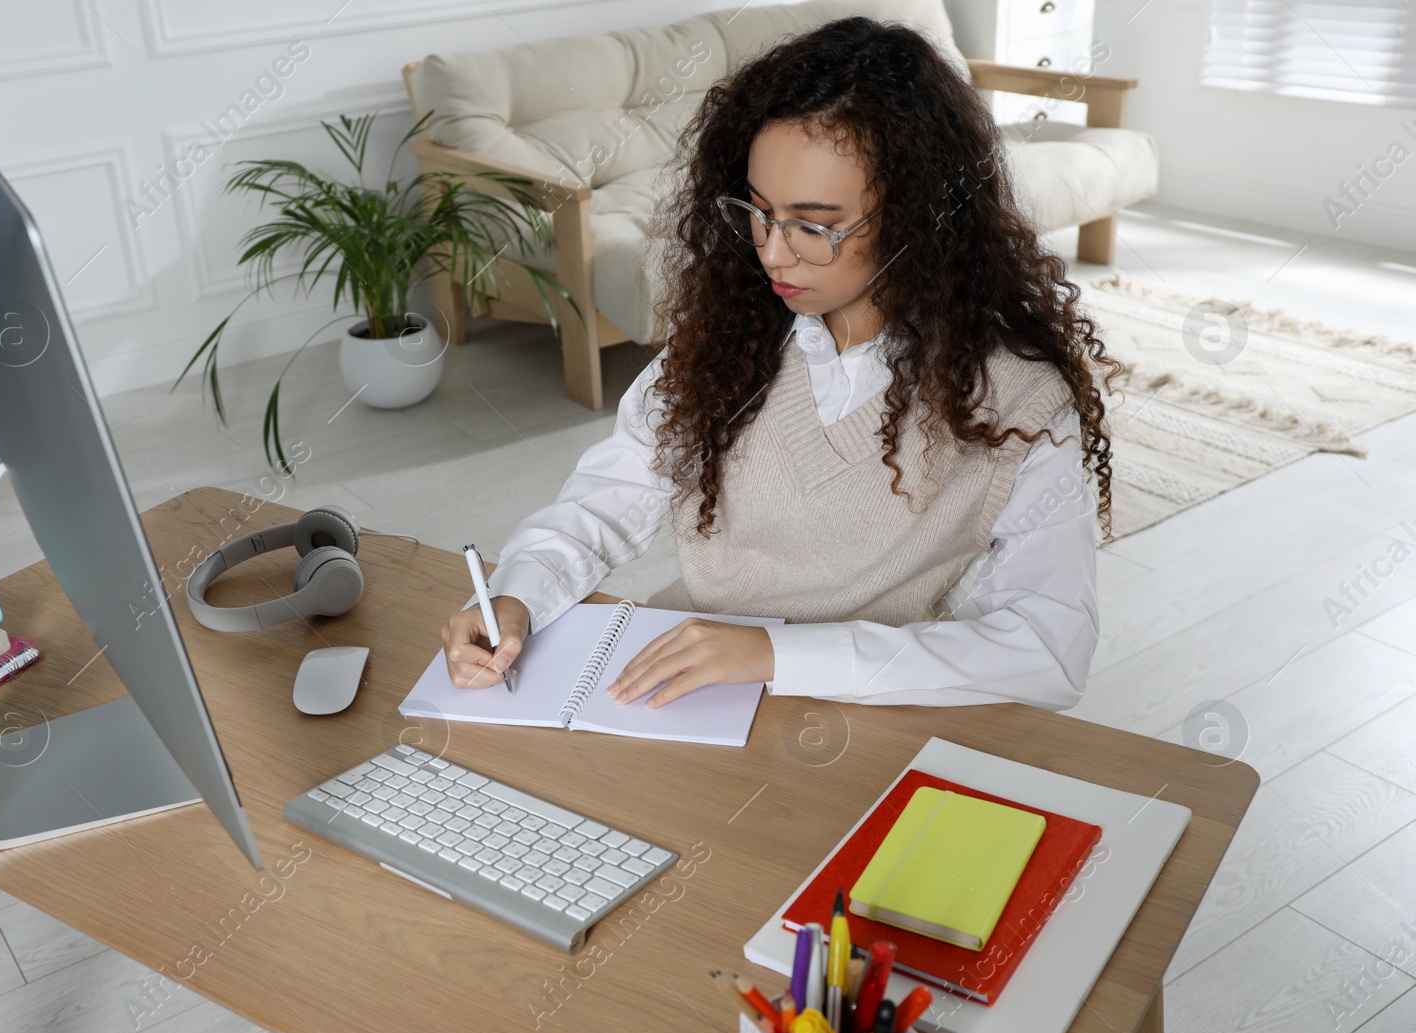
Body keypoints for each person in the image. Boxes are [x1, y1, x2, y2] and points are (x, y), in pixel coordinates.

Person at [439, 17, 1123, 713]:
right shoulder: (726, 343)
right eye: (759, 212)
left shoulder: (1021, 401)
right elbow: (602, 504)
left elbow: (1049, 651)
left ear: (919, 218)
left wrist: (773, 654)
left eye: (814, 225)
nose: (771, 252)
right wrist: (514, 595)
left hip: (867, 713)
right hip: (673, 688)